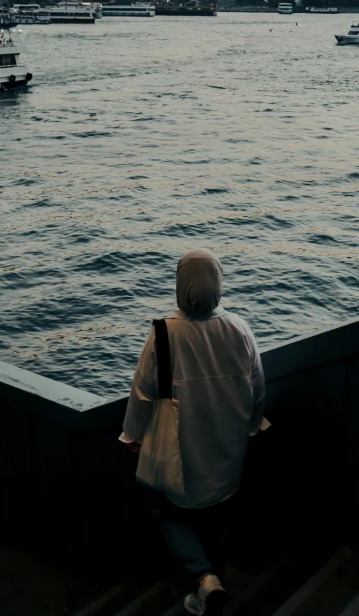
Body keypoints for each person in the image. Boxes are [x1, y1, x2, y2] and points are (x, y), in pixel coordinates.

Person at [120, 249, 266, 616]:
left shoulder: (164, 333)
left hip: (179, 448)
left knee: (168, 511)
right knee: (220, 506)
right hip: (228, 444)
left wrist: (132, 437)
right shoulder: (240, 328)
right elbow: (258, 386)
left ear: (180, 285)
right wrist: (251, 426)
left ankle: (203, 578)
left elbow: (142, 392)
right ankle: (218, 569)